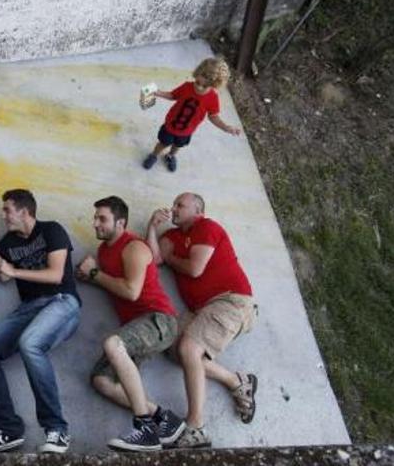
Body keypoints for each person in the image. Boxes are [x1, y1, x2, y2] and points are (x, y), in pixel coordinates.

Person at [145, 192, 258, 448]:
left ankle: (196, 427)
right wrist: (152, 228)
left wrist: (172, 258)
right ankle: (237, 381)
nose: (173, 208)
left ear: (198, 210)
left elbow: (195, 268)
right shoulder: (171, 237)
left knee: (189, 349)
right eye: (173, 204)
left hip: (231, 301)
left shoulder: (207, 227)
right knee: (173, 348)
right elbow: (154, 260)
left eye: (180, 205)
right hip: (201, 310)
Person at [0, 189, 81, 454]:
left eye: (7, 210)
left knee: (30, 344)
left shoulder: (51, 230)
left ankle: (57, 430)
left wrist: (14, 270)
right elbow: (3, 276)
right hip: (29, 308)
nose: (3, 215)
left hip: (61, 302)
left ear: (24, 211)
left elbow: (56, 275)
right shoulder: (8, 242)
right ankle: (8, 430)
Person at [76, 196, 184, 451]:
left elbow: (131, 291)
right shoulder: (104, 251)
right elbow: (111, 282)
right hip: (137, 328)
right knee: (101, 380)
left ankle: (145, 429)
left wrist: (94, 273)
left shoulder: (134, 246)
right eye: (95, 218)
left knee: (113, 343)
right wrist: (88, 276)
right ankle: (164, 419)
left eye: (102, 218)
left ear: (120, 222)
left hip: (160, 321)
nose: (95, 224)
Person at [141, 58, 242, 172]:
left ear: (214, 85)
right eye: (198, 82)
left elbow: (213, 116)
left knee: (177, 146)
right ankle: (154, 155)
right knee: (163, 143)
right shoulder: (187, 87)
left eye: (204, 86)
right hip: (170, 126)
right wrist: (158, 92)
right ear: (197, 74)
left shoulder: (212, 98)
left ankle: (170, 156)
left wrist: (226, 127)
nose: (199, 87)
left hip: (187, 131)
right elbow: (172, 95)